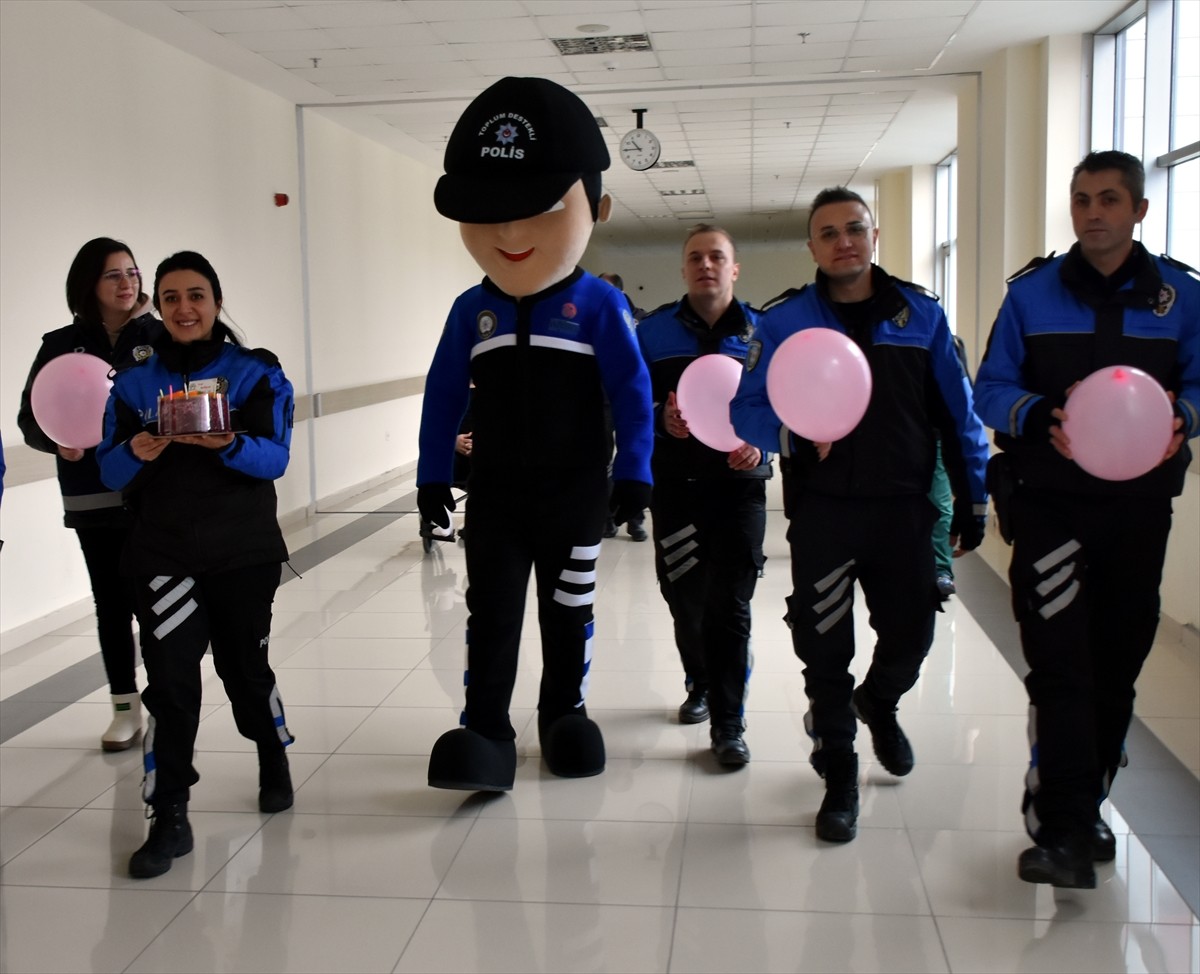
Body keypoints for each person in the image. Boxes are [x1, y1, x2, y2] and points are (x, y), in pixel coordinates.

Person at [731, 187, 990, 842]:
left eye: (854, 228)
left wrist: (973, 494)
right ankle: (839, 776)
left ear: (873, 237)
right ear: (812, 247)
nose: (843, 240)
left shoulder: (919, 315)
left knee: (912, 637)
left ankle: (879, 700)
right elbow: (745, 411)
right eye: (827, 232)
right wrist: (793, 434)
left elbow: (955, 414)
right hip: (824, 512)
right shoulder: (785, 321)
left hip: (904, 508)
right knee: (824, 646)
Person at [417, 77, 654, 792]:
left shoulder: (599, 305)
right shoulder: (471, 311)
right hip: (495, 499)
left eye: (537, 208)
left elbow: (633, 393)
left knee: (566, 613)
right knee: (490, 615)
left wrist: (635, 471)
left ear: (596, 207)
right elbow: (442, 395)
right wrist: (431, 473)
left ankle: (563, 711)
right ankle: (486, 725)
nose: (512, 233)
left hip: (576, 497)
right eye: (494, 212)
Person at [974, 150, 1199, 889]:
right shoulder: (1033, 295)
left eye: (1108, 199)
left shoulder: (1181, 297)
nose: (1093, 212)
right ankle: (1065, 825)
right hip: (1051, 509)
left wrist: (1182, 417)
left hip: (1138, 512)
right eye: (1080, 200)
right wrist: (1040, 417)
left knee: (1118, 668)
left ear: (1138, 209)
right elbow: (992, 387)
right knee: (1061, 667)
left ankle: (1086, 804)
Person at [96, 251, 296, 879]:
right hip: (162, 556)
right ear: (158, 303)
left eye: (198, 295)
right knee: (172, 685)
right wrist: (136, 448)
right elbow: (108, 470)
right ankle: (170, 813)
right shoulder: (130, 386)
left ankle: (271, 751)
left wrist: (229, 442)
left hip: (243, 552)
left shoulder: (256, 372)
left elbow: (276, 458)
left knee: (244, 671)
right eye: (172, 296)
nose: (185, 308)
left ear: (215, 301)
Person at [18, 237, 161, 752]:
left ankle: (163, 699)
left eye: (132, 272)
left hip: (150, 492)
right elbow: (30, 419)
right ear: (89, 285)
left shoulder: (158, 338)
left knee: (155, 602)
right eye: (113, 276)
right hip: (92, 496)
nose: (127, 284)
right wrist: (56, 441)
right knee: (111, 605)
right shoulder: (59, 344)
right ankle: (125, 707)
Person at [636, 224, 770, 766]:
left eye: (718, 257)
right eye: (696, 257)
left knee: (730, 605)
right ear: (684, 269)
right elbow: (625, 403)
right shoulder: (653, 333)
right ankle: (699, 678)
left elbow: (786, 406)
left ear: (734, 268)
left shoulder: (765, 331)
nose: (706, 265)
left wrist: (764, 447)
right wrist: (660, 419)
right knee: (685, 601)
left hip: (741, 490)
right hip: (677, 489)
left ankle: (729, 723)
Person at [599, 272, 648, 541]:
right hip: (601, 400)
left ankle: (635, 519)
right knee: (604, 460)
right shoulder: (592, 316)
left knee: (632, 455)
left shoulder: (642, 319)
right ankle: (607, 518)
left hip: (630, 398)